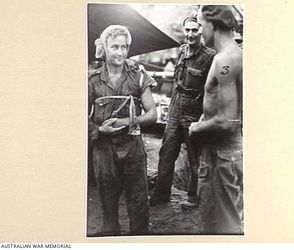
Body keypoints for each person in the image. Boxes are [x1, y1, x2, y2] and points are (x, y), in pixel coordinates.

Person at [88, 25, 157, 235]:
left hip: (133, 148)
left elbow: (153, 115)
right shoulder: (91, 80)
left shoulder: (138, 76)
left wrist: (126, 122)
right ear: (105, 47)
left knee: (138, 202)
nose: (120, 52)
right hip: (103, 150)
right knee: (108, 202)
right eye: (115, 46)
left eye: (124, 47)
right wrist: (100, 130)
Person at [150, 16, 215, 207]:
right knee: (166, 153)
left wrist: (205, 116)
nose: (190, 34)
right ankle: (161, 195)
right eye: (187, 30)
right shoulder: (182, 51)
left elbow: (213, 90)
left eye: (194, 30)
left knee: (195, 157)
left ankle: (194, 198)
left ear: (201, 31)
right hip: (175, 109)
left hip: (194, 112)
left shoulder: (210, 57)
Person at [189, 5, 243, 234]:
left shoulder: (225, 61)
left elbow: (227, 121)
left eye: (200, 25)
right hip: (219, 153)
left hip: (222, 154)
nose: (200, 32)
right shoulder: (233, 55)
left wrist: (196, 127)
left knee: (224, 226)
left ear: (212, 24)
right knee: (214, 220)